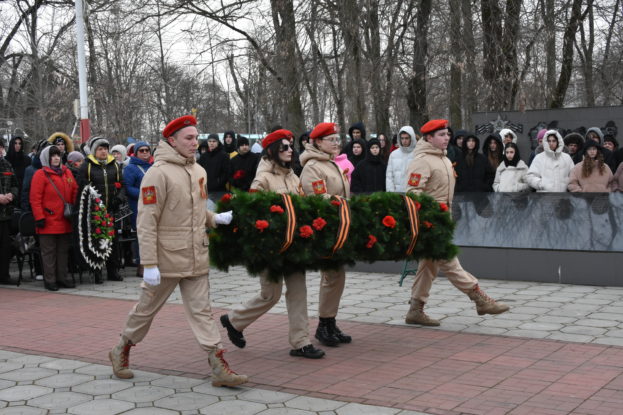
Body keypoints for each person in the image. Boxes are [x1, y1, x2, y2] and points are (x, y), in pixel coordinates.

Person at [109, 115, 248, 387]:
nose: (195, 142)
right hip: (166, 259)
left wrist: (214, 218)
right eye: (189, 138)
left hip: (196, 254)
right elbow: (146, 221)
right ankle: (121, 348)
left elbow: (195, 209)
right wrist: (149, 263)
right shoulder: (157, 174)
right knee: (146, 310)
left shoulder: (199, 171)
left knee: (203, 312)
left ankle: (218, 365)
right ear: (172, 141)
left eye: (196, 137)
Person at [220, 129, 324, 359]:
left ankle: (301, 342)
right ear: (273, 150)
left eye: (290, 146)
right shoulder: (262, 179)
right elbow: (253, 215)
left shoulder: (293, 177)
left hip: (294, 247)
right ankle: (234, 320)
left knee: (298, 292)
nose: (289, 150)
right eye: (284, 147)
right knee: (270, 295)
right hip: (271, 249)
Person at [404, 119, 509, 326]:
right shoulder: (422, 160)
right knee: (449, 261)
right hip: (430, 223)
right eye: (441, 135)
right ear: (429, 138)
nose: (447, 138)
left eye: (447, 134)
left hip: (443, 219)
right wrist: (429, 216)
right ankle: (479, 298)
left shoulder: (443, 158)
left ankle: (415, 310)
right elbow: (412, 193)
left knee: (428, 266)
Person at [300, 122, 352, 347]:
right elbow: (318, 199)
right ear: (318, 142)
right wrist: (344, 204)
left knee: (337, 276)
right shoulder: (313, 167)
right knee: (332, 276)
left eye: (337, 139)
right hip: (325, 228)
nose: (336, 143)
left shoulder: (331, 163)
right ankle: (324, 325)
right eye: (331, 140)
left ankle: (330, 322)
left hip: (339, 226)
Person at [29, 146, 78, 291]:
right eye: (53, 156)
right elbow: (35, 198)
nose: (56, 158)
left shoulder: (67, 172)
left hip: (64, 219)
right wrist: (39, 217)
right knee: (49, 252)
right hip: (48, 220)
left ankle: (62, 277)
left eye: (58, 155)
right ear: (46, 158)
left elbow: (74, 190)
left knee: (63, 252)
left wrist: (76, 205)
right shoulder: (40, 174)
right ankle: (50, 280)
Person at [78, 136, 127, 282]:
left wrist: (118, 198)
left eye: (105, 148)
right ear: (94, 151)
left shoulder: (115, 165)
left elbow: (122, 185)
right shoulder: (87, 166)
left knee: (113, 240)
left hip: (111, 209)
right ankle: (97, 271)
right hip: (95, 211)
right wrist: (94, 202)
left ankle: (113, 271)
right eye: (100, 149)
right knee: (97, 239)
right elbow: (82, 186)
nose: (103, 151)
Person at [123, 141, 153, 276]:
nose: (145, 152)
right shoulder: (130, 168)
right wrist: (145, 194)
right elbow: (128, 188)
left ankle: (153, 263)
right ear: (135, 153)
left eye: (147, 150)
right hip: (138, 206)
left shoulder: (153, 166)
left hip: (154, 206)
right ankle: (141, 265)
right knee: (141, 235)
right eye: (141, 150)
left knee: (153, 235)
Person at [0, 140, 19, 285]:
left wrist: (12, 195)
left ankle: (4, 275)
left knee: (5, 247)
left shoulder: (6, 164)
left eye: (0, 147)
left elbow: (15, 184)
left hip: (5, 214)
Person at [386, 126, 416, 192]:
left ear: (411, 138)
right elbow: (389, 176)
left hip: (411, 193)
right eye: (402, 138)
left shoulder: (416, 154)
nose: (404, 141)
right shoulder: (393, 155)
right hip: (397, 193)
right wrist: (391, 193)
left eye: (406, 138)